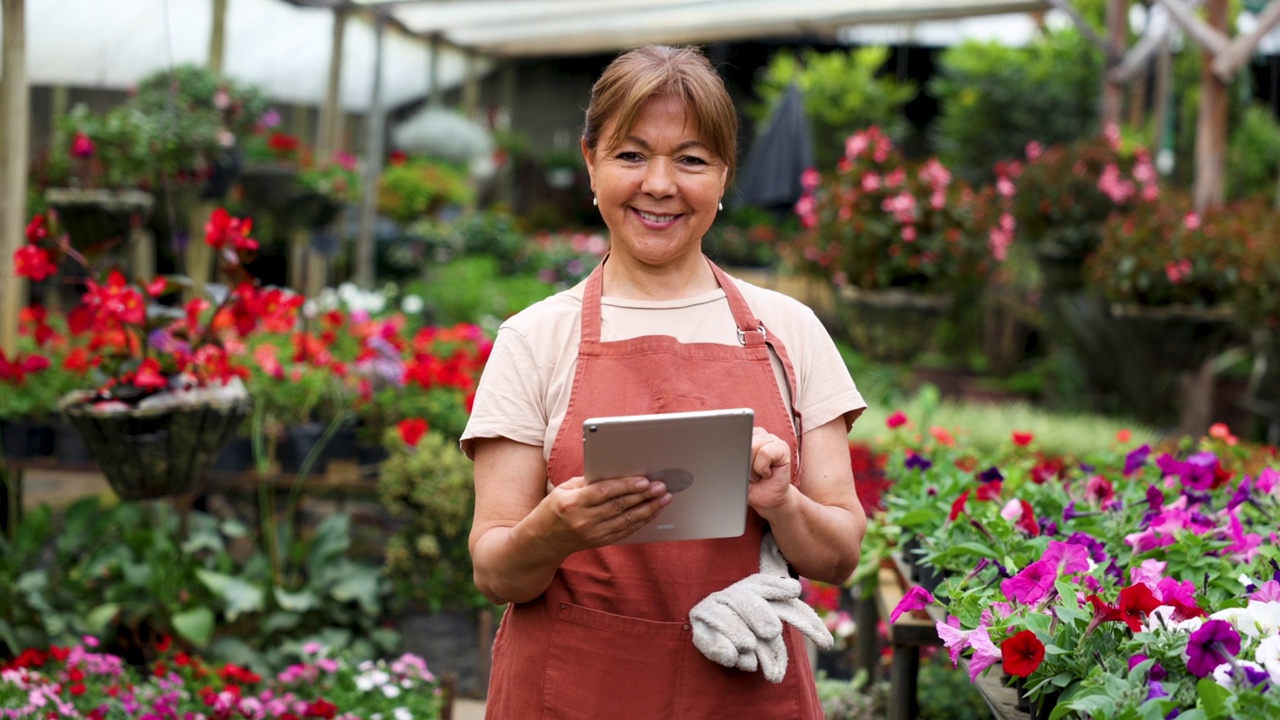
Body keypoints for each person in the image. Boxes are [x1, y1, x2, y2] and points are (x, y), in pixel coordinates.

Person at [462, 44, 866, 719]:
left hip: (744, 692)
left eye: (691, 159)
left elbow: (841, 556)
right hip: (573, 692)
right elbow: (494, 569)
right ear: (590, 163)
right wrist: (554, 528)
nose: (659, 184)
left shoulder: (788, 331)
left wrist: (781, 502)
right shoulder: (534, 340)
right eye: (631, 154)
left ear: (724, 177)